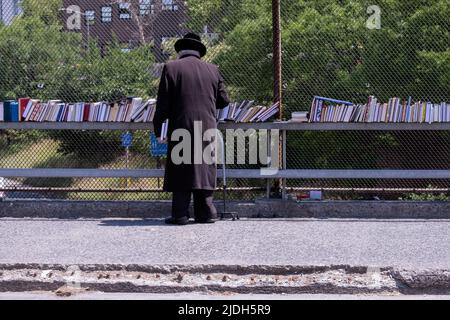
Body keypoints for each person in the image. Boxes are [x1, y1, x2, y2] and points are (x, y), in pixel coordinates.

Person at [153, 33, 230, 225]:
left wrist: (158, 131)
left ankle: (180, 214)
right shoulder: (213, 70)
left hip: (181, 124)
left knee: (181, 167)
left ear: (180, 51)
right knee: (204, 168)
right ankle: (206, 213)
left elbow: (163, 104)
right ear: (199, 51)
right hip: (206, 126)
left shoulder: (171, 68)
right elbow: (224, 100)